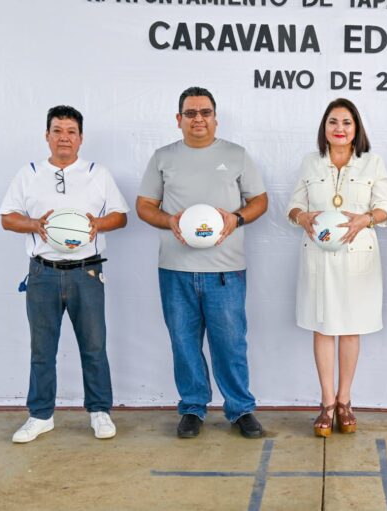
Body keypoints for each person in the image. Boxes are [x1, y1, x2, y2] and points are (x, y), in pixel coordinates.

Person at [136, 86, 268, 439]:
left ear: (215, 117)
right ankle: (193, 407)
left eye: (205, 112)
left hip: (226, 269)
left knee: (231, 343)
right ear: (178, 119)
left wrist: (235, 219)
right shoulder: (163, 157)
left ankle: (240, 408)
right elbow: (145, 205)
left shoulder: (236, 155)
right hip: (176, 268)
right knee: (184, 341)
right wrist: (169, 221)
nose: (198, 119)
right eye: (190, 113)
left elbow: (259, 200)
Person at [0, 105, 128, 443]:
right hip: (43, 273)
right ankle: (40, 416)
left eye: (71, 132)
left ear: (81, 138)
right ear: (47, 136)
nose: (64, 138)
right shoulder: (28, 173)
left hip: (86, 272)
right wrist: (35, 224)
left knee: (94, 346)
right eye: (57, 131)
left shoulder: (97, 174)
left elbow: (120, 216)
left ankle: (99, 411)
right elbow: (7, 217)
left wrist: (97, 224)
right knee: (42, 350)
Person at [286, 98, 387, 437]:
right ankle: (326, 402)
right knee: (322, 326)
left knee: (350, 327)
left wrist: (365, 219)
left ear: (356, 128)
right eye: (333, 122)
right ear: (325, 128)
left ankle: (345, 400)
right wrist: (301, 216)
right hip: (318, 257)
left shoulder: (372, 163)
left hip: (357, 258)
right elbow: (293, 205)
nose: (340, 128)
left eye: (346, 123)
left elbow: (386, 209)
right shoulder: (310, 163)